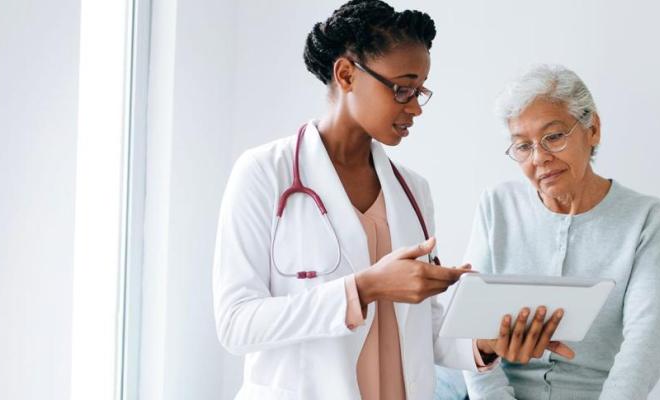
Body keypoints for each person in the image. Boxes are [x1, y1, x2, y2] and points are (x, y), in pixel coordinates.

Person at [212, 2, 567, 398]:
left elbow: (418, 329)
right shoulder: (265, 173)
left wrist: (485, 343)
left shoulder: (413, 191)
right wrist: (364, 289)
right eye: (402, 88)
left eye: (420, 92)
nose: (414, 107)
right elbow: (236, 324)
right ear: (346, 74)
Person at [442, 64, 660, 399]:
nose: (539, 158)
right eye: (523, 146)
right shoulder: (498, 206)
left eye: (553, 137)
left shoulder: (645, 217)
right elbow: (469, 331)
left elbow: (646, 343)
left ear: (592, 129)